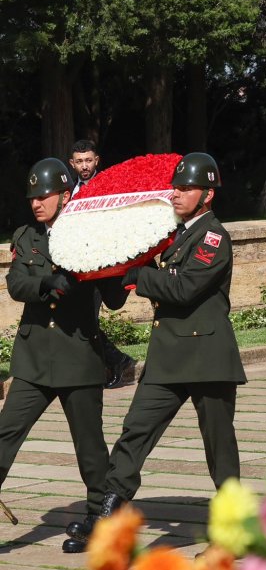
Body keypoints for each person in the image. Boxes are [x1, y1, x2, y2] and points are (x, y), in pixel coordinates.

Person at [89, 153, 248, 531]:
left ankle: (232, 522)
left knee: (219, 445)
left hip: (207, 356)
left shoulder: (213, 237)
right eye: (174, 187)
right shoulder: (173, 234)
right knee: (135, 431)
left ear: (207, 194)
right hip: (168, 356)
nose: (175, 194)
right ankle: (107, 512)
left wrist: (137, 276)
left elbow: (184, 287)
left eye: (185, 188)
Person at [3, 159, 129, 553]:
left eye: (43, 196)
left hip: (78, 357)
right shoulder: (27, 236)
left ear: (65, 194)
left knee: (90, 449)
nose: (36, 203)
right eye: (32, 197)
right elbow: (16, 283)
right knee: (6, 434)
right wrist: (45, 282)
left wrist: (120, 262)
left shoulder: (94, 235)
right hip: (34, 358)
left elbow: (115, 299)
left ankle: (100, 520)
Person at [68, 139, 137, 389]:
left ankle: (116, 361)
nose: (84, 166)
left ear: (97, 160)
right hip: (81, 265)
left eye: (88, 160)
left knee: (88, 318)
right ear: (72, 164)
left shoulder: (111, 186)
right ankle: (114, 361)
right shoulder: (70, 190)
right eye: (79, 161)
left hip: (107, 265)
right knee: (83, 318)